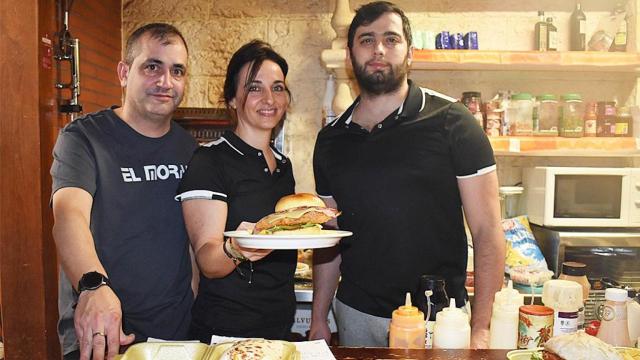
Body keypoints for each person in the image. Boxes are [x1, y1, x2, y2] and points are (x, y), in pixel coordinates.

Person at [309, 1, 505, 349]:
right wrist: (319, 317)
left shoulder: (454, 122)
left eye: (391, 39)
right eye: (366, 40)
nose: (379, 49)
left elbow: (487, 231)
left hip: (438, 319)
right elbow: (330, 240)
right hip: (356, 315)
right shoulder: (330, 141)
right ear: (350, 55)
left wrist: (481, 327)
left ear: (409, 52)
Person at [51, 23, 196, 360]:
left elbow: (192, 242)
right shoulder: (83, 138)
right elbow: (68, 216)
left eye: (177, 71)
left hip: (174, 338)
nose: (165, 81)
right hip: (99, 336)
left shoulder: (189, 150)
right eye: (152, 66)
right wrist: (93, 285)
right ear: (124, 72)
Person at [176, 40, 297, 343]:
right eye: (254, 88)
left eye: (278, 87)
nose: (269, 98)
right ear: (232, 98)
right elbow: (207, 260)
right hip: (226, 333)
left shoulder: (284, 166)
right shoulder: (210, 160)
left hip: (278, 326)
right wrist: (238, 248)